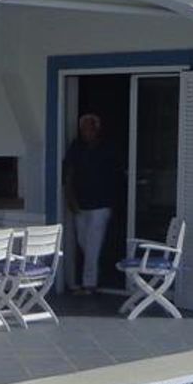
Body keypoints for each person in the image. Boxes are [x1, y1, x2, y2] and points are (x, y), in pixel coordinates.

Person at [62, 112, 125, 292]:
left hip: (101, 203)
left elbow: (116, 174)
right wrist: (70, 198)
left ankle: (89, 284)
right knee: (84, 242)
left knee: (93, 245)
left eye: (90, 128)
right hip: (80, 203)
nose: (86, 132)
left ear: (97, 129)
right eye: (83, 129)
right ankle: (96, 273)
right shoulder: (77, 147)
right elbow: (68, 173)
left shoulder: (108, 148)